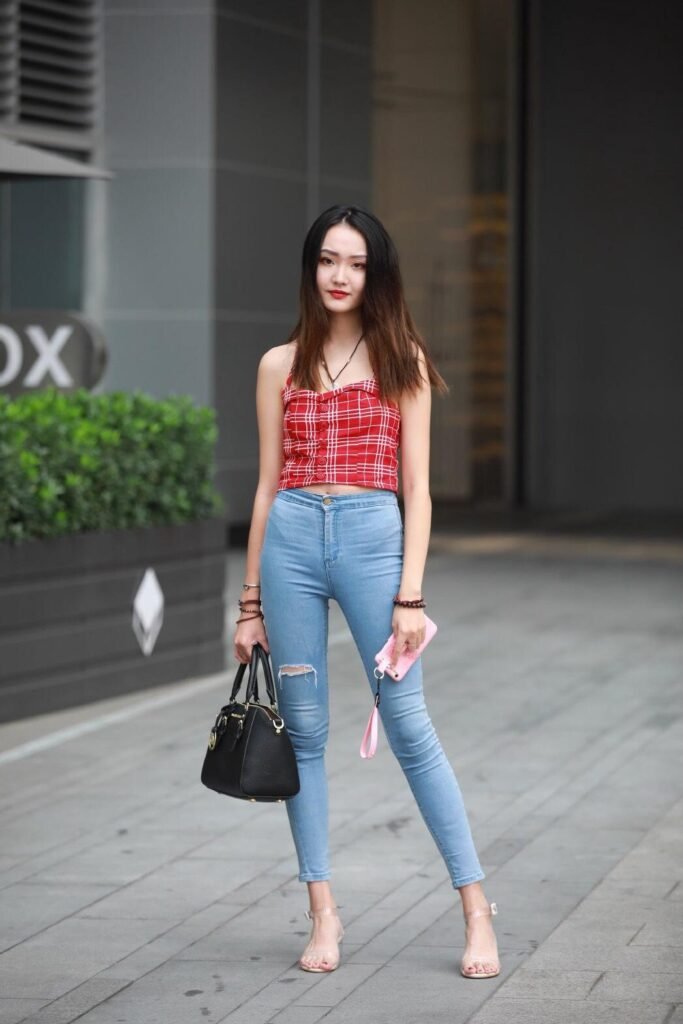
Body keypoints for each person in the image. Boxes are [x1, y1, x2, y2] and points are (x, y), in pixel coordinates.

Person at [233, 204, 500, 980]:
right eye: (326, 260)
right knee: (305, 735)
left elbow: (416, 490)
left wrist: (409, 598)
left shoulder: (401, 360)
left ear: (375, 272)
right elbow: (264, 487)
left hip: (370, 539)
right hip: (289, 541)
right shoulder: (277, 364)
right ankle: (322, 910)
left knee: (409, 726)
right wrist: (248, 605)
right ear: (310, 268)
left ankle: (476, 907)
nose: (339, 275)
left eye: (354, 262)